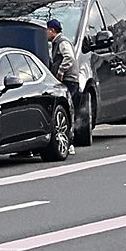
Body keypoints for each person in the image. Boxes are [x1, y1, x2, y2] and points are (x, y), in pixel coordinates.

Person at [46, 19, 78, 155]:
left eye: (47, 30)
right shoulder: (55, 43)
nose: (46, 33)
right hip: (68, 80)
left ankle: (69, 142)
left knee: (67, 112)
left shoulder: (62, 42)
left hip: (69, 80)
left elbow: (69, 58)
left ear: (52, 30)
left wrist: (60, 71)